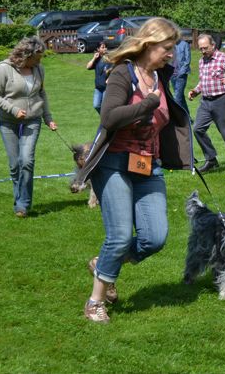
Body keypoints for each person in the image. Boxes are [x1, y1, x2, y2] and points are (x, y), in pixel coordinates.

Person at [76, 17, 193, 323]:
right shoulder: (121, 74)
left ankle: (103, 263)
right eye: (167, 48)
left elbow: (170, 119)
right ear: (149, 43)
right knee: (118, 235)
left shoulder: (162, 77)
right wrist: (148, 104)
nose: (172, 54)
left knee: (155, 237)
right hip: (114, 162)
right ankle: (95, 302)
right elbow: (110, 117)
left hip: (148, 165)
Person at [0, 36, 57, 218]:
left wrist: (48, 118)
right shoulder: (3, 69)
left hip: (33, 120)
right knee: (15, 164)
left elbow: (42, 93)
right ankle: (19, 200)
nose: (40, 60)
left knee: (27, 161)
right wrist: (13, 109)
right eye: (38, 57)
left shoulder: (39, 69)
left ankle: (23, 205)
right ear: (26, 54)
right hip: (8, 122)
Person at [188, 34, 225, 173]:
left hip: (221, 100)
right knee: (197, 129)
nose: (203, 51)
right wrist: (196, 91)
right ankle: (211, 159)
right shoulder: (202, 61)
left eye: (205, 48)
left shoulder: (224, 59)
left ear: (213, 45)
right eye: (201, 48)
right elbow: (204, 81)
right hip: (205, 102)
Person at [86, 41, 112, 113]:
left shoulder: (109, 59)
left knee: (104, 106)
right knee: (96, 105)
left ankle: (105, 119)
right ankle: (105, 118)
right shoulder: (97, 59)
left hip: (106, 87)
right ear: (98, 49)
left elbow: (113, 70)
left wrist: (109, 77)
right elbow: (88, 67)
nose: (105, 49)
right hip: (98, 88)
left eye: (105, 47)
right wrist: (94, 58)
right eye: (102, 47)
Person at [171, 38, 191, 115]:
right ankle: (188, 117)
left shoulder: (185, 44)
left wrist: (181, 73)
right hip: (172, 75)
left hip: (181, 75)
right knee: (180, 97)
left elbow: (187, 60)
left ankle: (178, 119)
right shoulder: (170, 45)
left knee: (177, 98)